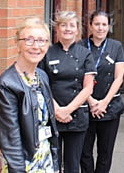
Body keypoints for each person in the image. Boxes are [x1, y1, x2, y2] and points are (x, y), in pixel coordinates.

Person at [0, 17, 59, 172]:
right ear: (17, 44)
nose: (36, 46)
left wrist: (55, 164)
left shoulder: (41, 76)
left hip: (45, 157)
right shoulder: (7, 84)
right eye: (29, 40)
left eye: (42, 40)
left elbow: (50, 125)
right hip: (23, 163)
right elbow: (10, 138)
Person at [38, 11, 96, 173]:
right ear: (57, 29)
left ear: (78, 30)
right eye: (63, 25)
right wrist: (57, 111)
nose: (67, 29)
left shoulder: (85, 53)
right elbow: (43, 85)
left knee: (72, 165)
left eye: (72, 25)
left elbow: (88, 88)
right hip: (51, 116)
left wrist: (67, 110)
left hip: (77, 118)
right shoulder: (47, 52)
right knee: (51, 163)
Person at [79, 10, 124, 173]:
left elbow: (118, 78)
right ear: (90, 26)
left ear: (109, 27)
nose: (100, 28)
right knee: (84, 152)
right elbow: (77, 77)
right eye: (97, 24)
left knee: (105, 152)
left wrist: (104, 102)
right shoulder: (80, 46)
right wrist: (91, 101)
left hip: (110, 107)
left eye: (104, 24)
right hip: (85, 107)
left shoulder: (116, 46)